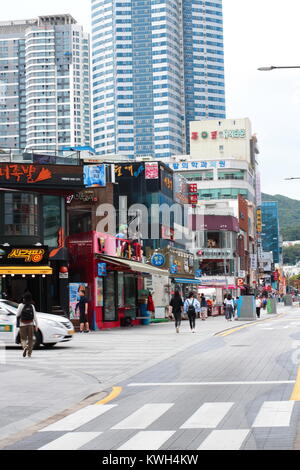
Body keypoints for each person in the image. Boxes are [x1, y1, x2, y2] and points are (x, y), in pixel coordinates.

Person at [16, 293, 38, 358]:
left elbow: (17, 315)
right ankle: (29, 354)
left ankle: (25, 347)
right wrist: (36, 325)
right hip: (30, 324)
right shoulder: (32, 306)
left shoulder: (20, 305)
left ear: (24, 298)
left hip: (22, 324)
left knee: (23, 339)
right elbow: (35, 317)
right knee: (31, 339)